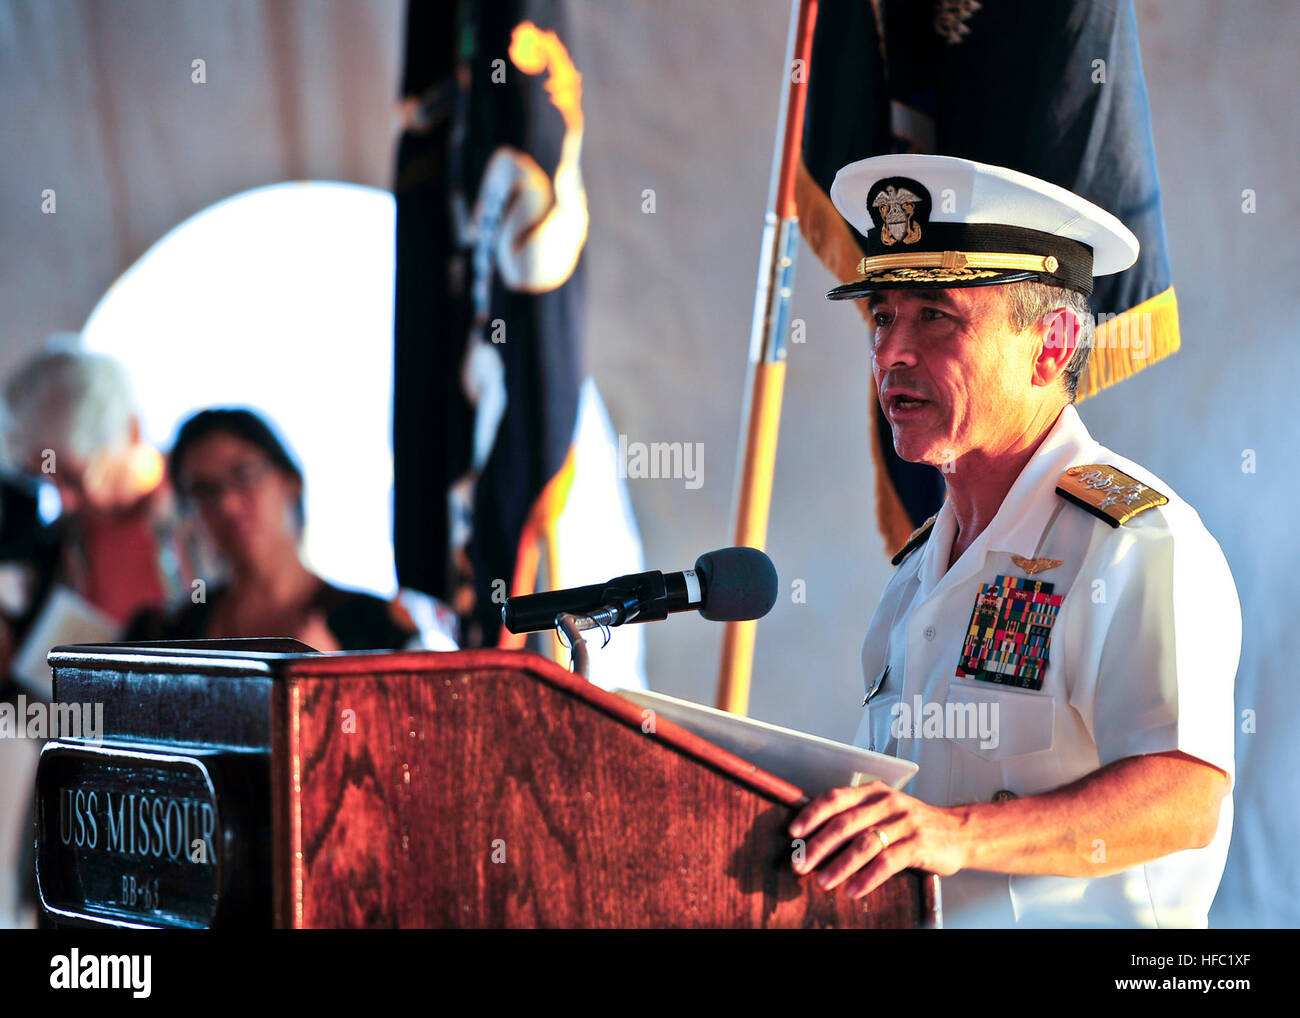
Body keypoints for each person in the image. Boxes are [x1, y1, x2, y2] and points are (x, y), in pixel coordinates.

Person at [788, 154, 1239, 928]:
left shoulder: (1136, 542)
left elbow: (1184, 794)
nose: (892, 351)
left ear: (1053, 343)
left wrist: (955, 835)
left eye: (936, 316)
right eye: (883, 315)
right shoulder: (917, 570)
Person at [126, 408, 419, 652]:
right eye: (204, 491)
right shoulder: (165, 635)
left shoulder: (379, 628)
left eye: (243, 474)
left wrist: (335, 682)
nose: (228, 504)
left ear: (291, 482)